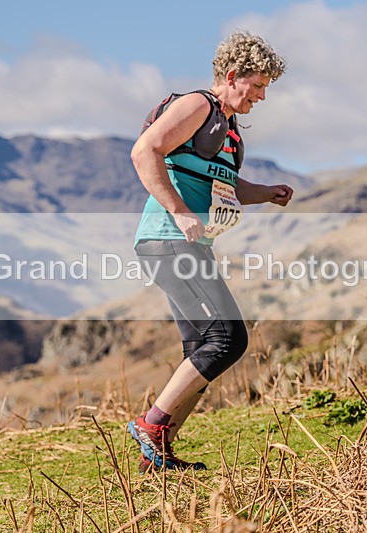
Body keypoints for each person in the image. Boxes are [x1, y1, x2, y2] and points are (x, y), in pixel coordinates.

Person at [128, 31, 291, 472]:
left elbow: (227, 185)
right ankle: (152, 425)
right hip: (169, 238)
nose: (261, 96)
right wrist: (179, 211)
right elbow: (145, 151)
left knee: (201, 345)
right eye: (257, 85)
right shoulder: (199, 106)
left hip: (190, 245)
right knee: (228, 338)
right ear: (233, 76)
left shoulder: (230, 129)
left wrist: (267, 193)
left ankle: (156, 458)